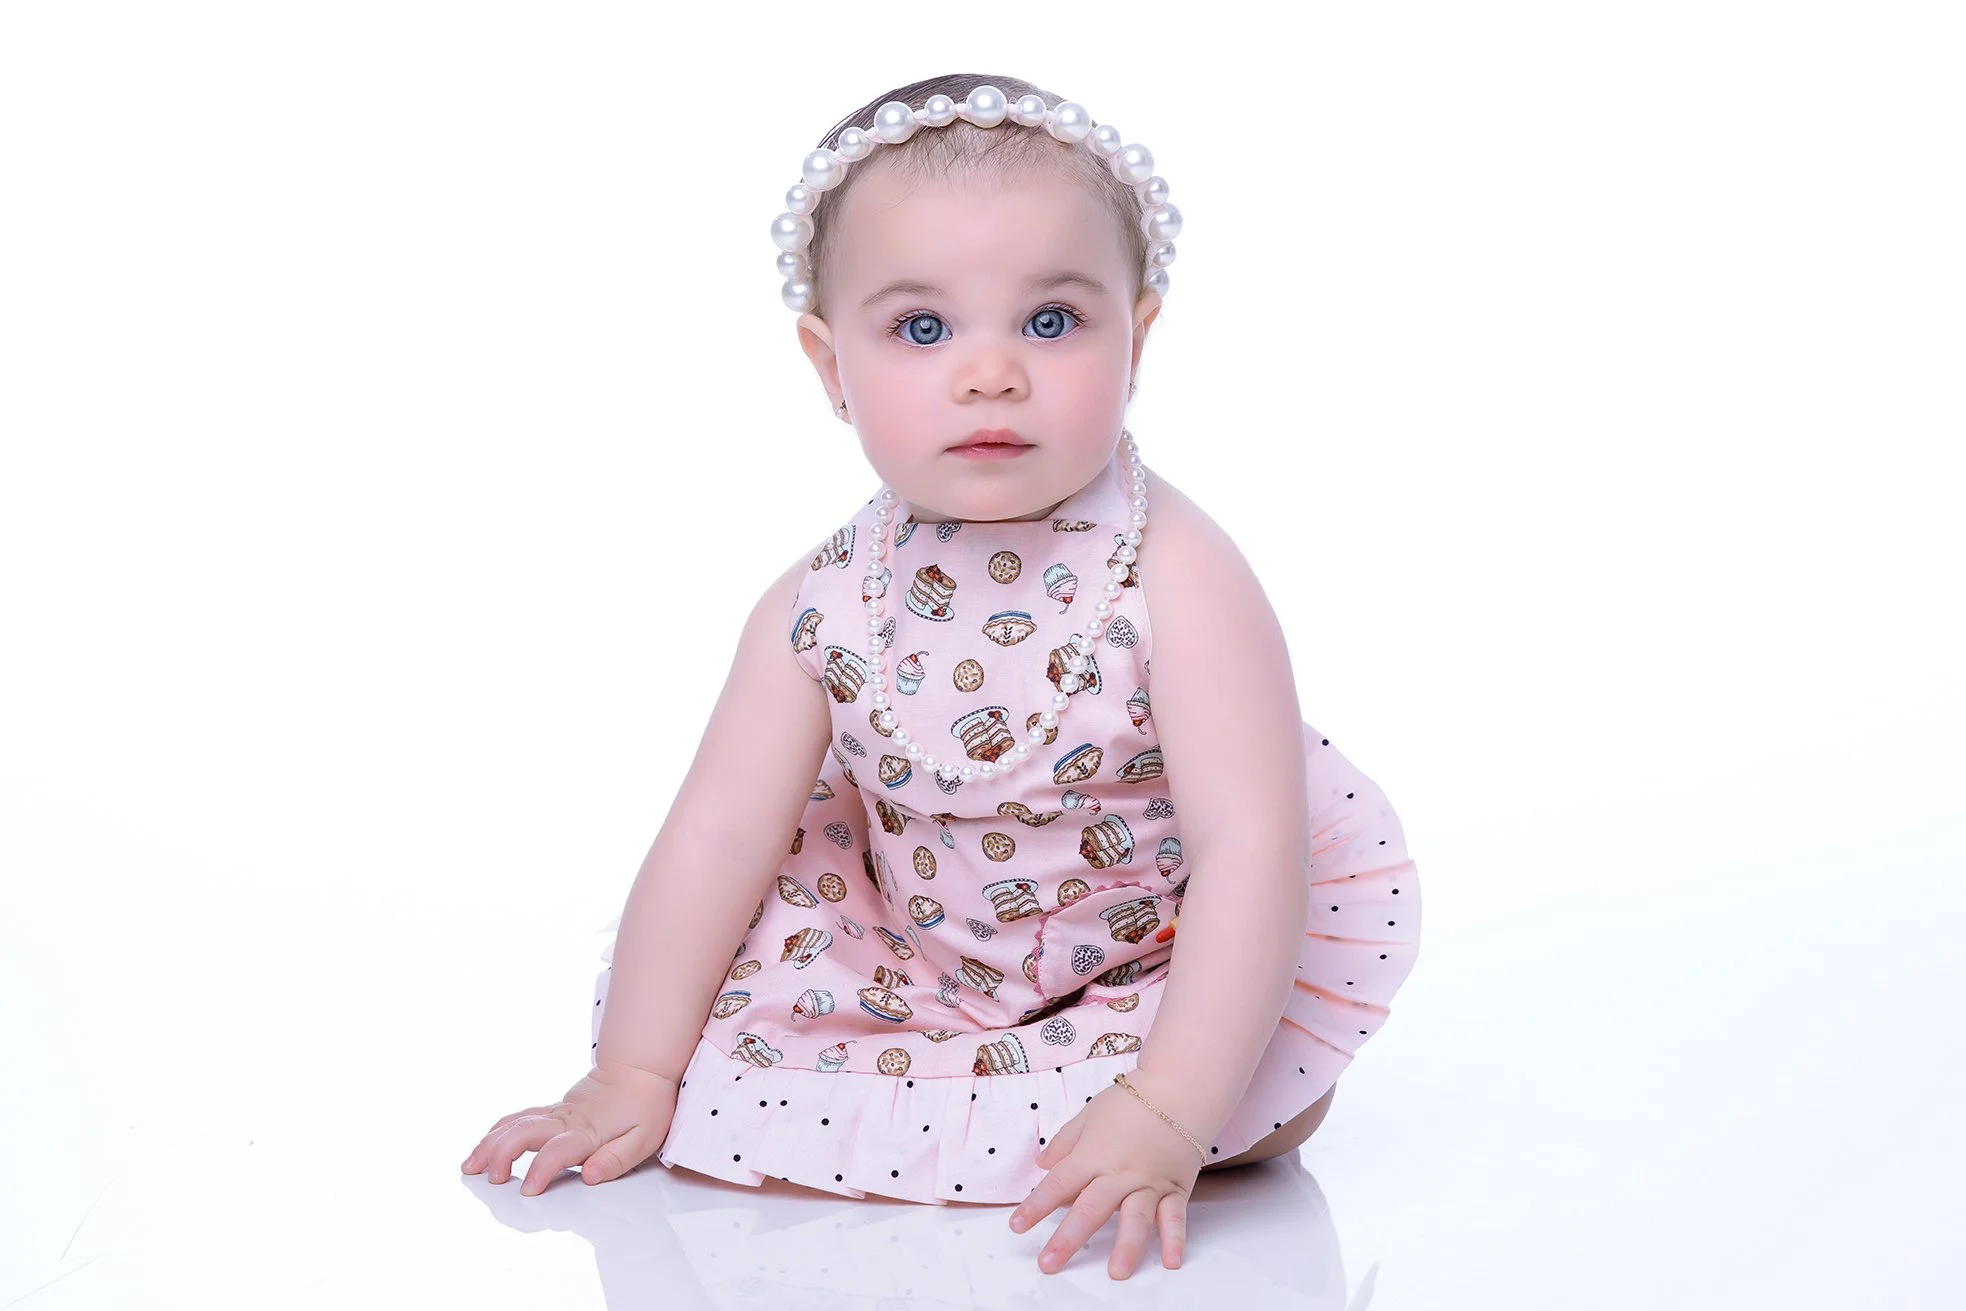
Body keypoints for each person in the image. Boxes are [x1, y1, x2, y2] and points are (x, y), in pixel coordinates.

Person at [462, 71, 1422, 1281]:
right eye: (922, 330)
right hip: (930, 950)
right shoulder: (822, 604)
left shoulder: (1177, 575)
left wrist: (1177, 1109)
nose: (989, 375)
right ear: (829, 366)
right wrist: (630, 1073)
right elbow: (715, 836)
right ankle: (912, 1082)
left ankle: (1181, 1098)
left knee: (1245, 1106)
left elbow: (1249, 845)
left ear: (1139, 334)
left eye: (1052, 321)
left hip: (1154, 957)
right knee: (715, 1031)